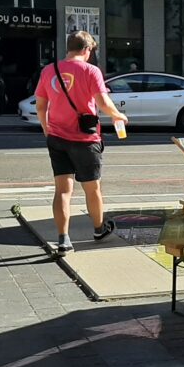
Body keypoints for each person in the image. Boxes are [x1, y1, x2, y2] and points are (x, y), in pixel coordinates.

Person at [35, 31, 128, 256]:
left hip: (57, 138)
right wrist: (118, 115)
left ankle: (63, 239)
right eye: (91, 51)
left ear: (69, 48)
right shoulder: (91, 71)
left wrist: (47, 129)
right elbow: (103, 102)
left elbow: (40, 106)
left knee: (62, 190)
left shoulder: (49, 70)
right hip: (85, 140)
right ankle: (99, 229)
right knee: (92, 188)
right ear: (87, 49)